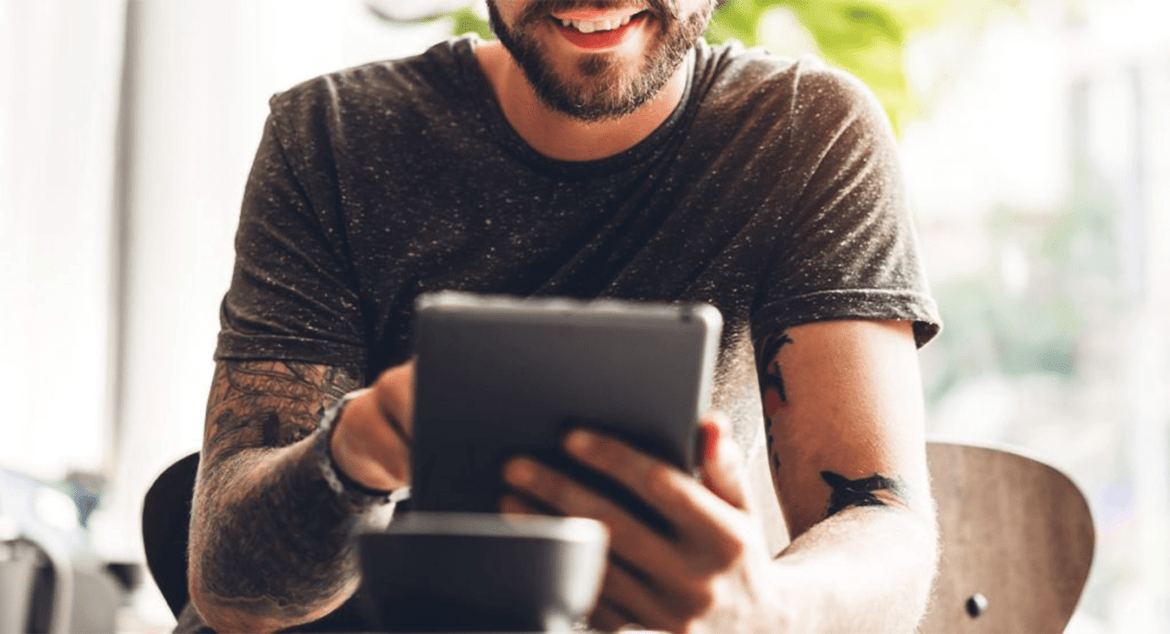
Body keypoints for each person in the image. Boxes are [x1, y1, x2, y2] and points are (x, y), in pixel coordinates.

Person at [184, 0, 943, 632]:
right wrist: (358, 448)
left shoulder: (806, 132)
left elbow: (884, 527)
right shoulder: (329, 134)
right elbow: (229, 588)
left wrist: (767, 612)